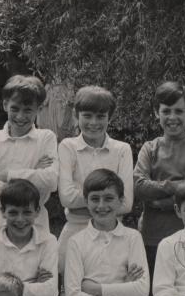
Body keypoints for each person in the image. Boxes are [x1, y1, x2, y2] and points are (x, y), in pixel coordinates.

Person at [134, 81, 185, 276]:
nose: (172, 117)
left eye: (179, 111)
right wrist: (179, 186)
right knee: (157, 295)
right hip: (153, 235)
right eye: (166, 111)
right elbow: (138, 187)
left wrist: (158, 200)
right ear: (156, 113)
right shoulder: (149, 148)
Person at [56, 85, 133, 271]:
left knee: (111, 288)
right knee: (73, 290)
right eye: (87, 115)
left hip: (112, 233)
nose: (94, 122)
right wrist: (110, 199)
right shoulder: (68, 147)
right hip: (75, 229)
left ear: (110, 117)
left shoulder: (122, 150)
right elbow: (66, 197)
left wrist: (83, 199)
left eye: (101, 116)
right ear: (76, 115)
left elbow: (127, 204)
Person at [0, 74, 58, 237]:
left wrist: (6, 175)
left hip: (35, 219)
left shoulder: (46, 138)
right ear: (5, 105)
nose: (20, 116)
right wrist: (32, 174)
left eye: (28, 110)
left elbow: (51, 182)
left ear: (39, 109)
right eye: (15, 109)